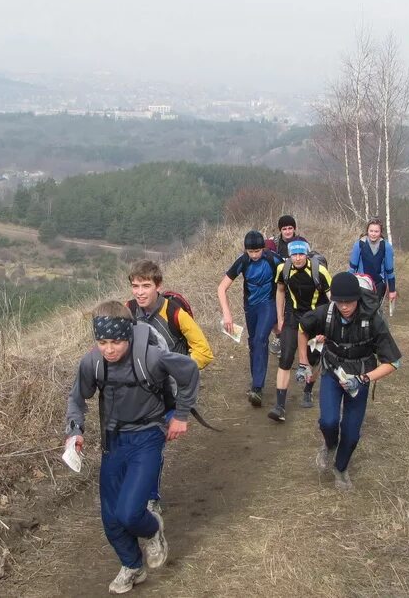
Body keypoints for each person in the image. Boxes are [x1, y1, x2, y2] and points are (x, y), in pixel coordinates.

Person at [65, 301, 200, 594]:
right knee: (111, 518)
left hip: (148, 437)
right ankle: (132, 564)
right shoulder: (93, 362)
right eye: (102, 342)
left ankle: (154, 531)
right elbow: (77, 399)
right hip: (113, 442)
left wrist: (181, 415)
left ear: (128, 335)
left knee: (129, 512)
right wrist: (75, 431)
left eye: (116, 342)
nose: (109, 349)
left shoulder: (150, 357)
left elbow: (189, 370)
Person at [298, 272, 402, 490]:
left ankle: (341, 468)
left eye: (349, 302)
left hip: (360, 376)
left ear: (358, 298)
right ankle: (329, 443)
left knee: (352, 431)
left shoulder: (373, 319)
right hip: (332, 371)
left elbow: (393, 362)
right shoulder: (326, 313)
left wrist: (363, 379)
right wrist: (303, 363)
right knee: (328, 421)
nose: (344, 307)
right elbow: (302, 328)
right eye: (339, 302)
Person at [126, 259, 213, 513]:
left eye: (145, 285)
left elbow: (205, 353)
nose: (139, 292)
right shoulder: (127, 310)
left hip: (167, 395)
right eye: (135, 286)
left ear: (158, 286)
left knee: (151, 445)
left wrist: (175, 369)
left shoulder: (175, 313)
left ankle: (151, 499)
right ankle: (142, 494)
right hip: (135, 392)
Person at [217, 230, 282, 407]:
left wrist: (280, 318)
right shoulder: (243, 261)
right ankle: (255, 384)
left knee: (261, 339)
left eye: (257, 251)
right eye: (250, 252)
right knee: (253, 342)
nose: (254, 255)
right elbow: (222, 288)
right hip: (250, 306)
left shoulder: (273, 259)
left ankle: (257, 387)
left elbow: (286, 286)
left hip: (268, 304)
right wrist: (227, 314)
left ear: (263, 248)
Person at [269, 240, 332, 422]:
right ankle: (279, 406)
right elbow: (280, 291)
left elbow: (333, 299)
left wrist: (329, 327)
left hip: (315, 318)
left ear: (306, 254)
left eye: (301, 254)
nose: (297, 258)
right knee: (286, 358)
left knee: (313, 359)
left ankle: (307, 390)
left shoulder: (319, 271)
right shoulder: (283, 269)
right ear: (289, 255)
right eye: (294, 255)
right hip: (293, 318)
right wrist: (280, 318)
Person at [265, 215, 308, 356]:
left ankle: (299, 340)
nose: (288, 231)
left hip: (298, 285)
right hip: (278, 283)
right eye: (284, 228)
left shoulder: (301, 242)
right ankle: (279, 336)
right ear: (280, 230)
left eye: (290, 228)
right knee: (274, 315)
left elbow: (310, 260)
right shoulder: (274, 244)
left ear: (294, 229)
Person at [348, 217, 397, 305]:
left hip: (379, 285)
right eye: (371, 231)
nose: (373, 234)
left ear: (380, 232)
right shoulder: (359, 244)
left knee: (374, 312)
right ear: (367, 231)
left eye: (376, 231)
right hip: (361, 284)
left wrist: (392, 291)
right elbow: (352, 269)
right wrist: (347, 286)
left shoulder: (386, 247)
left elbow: (390, 271)